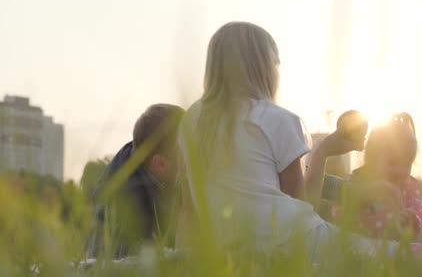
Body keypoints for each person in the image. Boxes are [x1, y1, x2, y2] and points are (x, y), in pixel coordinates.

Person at [177, 21, 400, 261]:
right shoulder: (275, 119)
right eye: (276, 63)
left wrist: (186, 261)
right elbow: (303, 207)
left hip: (233, 253)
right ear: (262, 67)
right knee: (409, 256)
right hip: (295, 244)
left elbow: (189, 208)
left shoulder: (191, 121)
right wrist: (323, 151)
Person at [86, 104, 185, 259]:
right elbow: (128, 273)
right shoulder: (127, 211)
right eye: (188, 153)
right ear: (159, 163)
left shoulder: (140, 157)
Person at [323, 113, 422, 240]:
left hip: (399, 252)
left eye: (407, 164)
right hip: (361, 249)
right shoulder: (357, 184)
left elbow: (419, 221)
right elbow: (343, 217)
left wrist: (414, 222)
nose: (400, 170)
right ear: (372, 159)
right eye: (393, 163)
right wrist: (388, 220)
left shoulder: (409, 189)